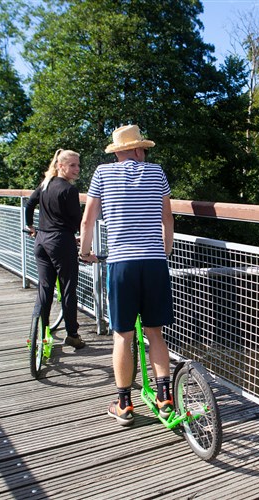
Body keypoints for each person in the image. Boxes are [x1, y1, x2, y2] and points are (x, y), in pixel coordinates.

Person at [79, 124, 174, 426]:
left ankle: (123, 404)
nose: (146, 153)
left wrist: (85, 251)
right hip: (154, 262)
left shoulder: (102, 174)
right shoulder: (156, 173)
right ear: (134, 149)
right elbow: (167, 218)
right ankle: (164, 399)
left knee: (123, 334)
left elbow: (88, 220)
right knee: (155, 333)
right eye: (143, 148)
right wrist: (166, 250)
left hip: (121, 264)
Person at [25, 149, 86, 350]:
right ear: (61, 166)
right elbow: (78, 221)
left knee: (45, 287)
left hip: (41, 240)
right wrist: (82, 241)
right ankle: (72, 334)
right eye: (72, 165)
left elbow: (29, 204)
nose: (77, 169)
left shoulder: (45, 185)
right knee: (68, 288)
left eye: (78, 165)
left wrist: (31, 227)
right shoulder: (69, 190)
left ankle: (39, 332)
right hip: (60, 242)